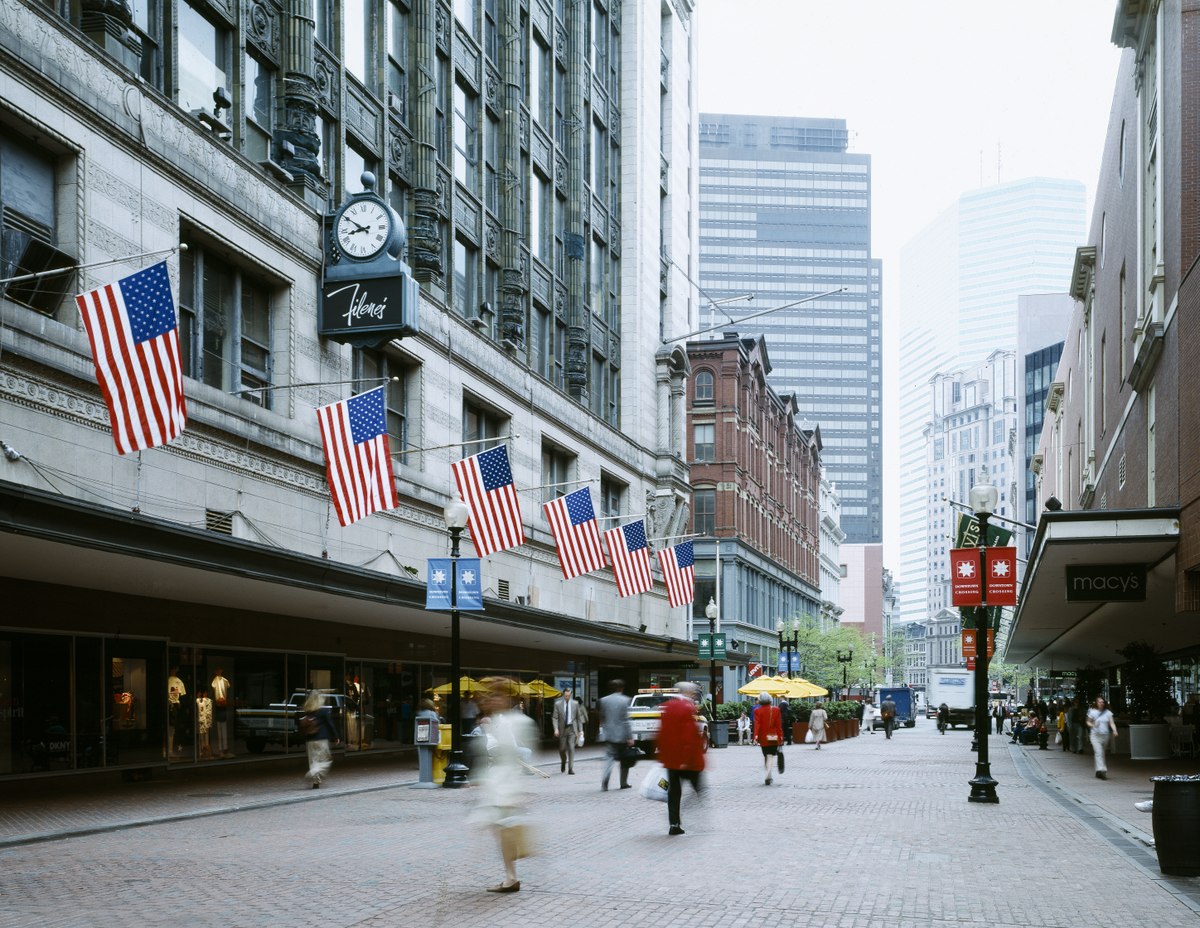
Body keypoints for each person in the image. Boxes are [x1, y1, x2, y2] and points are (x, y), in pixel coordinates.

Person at [469, 677, 537, 893]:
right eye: (490, 696)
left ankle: (512, 874)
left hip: (505, 784)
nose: (492, 700)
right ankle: (511, 874)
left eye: (497, 695)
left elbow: (512, 754)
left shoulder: (513, 722)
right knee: (499, 828)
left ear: (508, 697)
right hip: (498, 783)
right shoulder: (499, 721)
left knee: (501, 828)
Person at [658, 681, 705, 834]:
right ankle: (693, 811)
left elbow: (661, 732)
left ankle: (674, 824)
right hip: (686, 760)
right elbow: (688, 736)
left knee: (673, 792)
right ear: (688, 693)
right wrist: (686, 759)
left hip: (671, 758)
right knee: (698, 787)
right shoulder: (687, 708)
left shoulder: (667, 707)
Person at [598, 679, 633, 791]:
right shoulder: (625, 700)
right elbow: (626, 720)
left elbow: (602, 717)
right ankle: (623, 782)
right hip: (622, 735)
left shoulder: (603, 700)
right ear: (621, 688)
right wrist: (630, 736)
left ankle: (605, 779)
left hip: (609, 734)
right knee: (625, 759)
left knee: (609, 758)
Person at [301, 689, 340, 788]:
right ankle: (313, 772)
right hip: (321, 740)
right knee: (326, 761)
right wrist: (336, 737)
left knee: (314, 761)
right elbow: (330, 725)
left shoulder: (307, 711)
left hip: (310, 740)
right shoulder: (323, 711)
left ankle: (316, 783)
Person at [552, 686, 587, 774]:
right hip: (562, 730)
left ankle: (570, 768)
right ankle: (563, 762)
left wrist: (580, 730)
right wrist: (556, 729)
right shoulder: (558, 704)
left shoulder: (575, 704)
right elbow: (555, 718)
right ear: (563, 695)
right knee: (562, 749)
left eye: (569, 695)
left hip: (572, 729)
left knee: (571, 748)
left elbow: (579, 718)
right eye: (566, 696)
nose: (567, 697)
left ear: (570, 695)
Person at [753, 692, 782, 784]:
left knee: (766, 755)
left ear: (760, 700)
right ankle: (768, 775)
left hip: (763, 737)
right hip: (773, 737)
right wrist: (781, 738)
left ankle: (768, 774)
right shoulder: (776, 710)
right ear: (770, 700)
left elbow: (757, 725)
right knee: (770, 756)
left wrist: (755, 737)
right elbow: (778, 726)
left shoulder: (757, 711)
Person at [1087, 695, 1118, 779]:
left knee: (1101, 753)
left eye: (1102, 702)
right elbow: (1088, 722)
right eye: (1099, 702)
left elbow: (1111, 723)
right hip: (1095, 735)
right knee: (1099, 752)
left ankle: (1098, 771)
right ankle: (1102, 770)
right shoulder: (1092, 712)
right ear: (1096, 703)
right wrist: (1093, 724)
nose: (1101, 703)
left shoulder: (1108, 713)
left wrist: (1114, 730)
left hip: (1105, 735)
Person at [210, 669, 232, 758]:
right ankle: (221, 749)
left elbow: (227, 687)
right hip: (219, 705)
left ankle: (225, 748)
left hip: (223, 705)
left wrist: (224, 701)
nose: (219, 672)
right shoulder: (215, 680)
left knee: (224, 727)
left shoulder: (225, 680)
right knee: (220, 728)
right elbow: (214, 687)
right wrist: (219, 700)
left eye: (220, 671)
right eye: (217, 671)